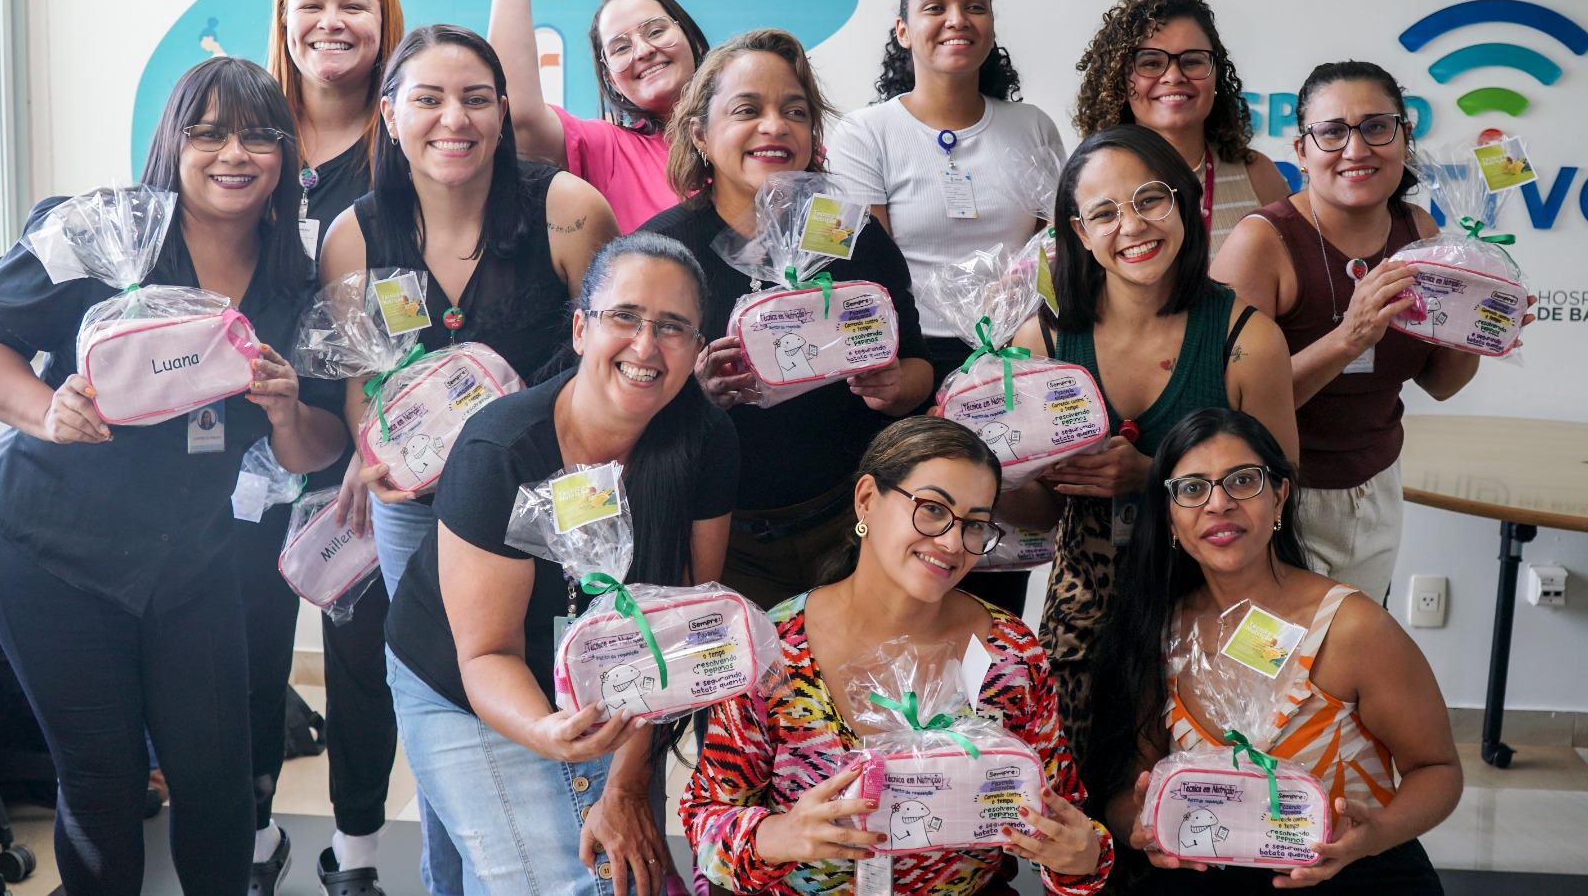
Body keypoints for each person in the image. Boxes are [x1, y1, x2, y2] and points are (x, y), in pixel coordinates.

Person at [0, 56, 347, 896]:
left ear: (285, 156)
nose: (235, 153)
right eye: (209, 132)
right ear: (172, 145)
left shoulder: (296, 276)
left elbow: (317, 449)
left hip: (195, 560)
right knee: (104, 786)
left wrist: (290, 411)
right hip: (52, 553)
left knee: (221, 782)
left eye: (260, 135)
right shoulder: (103, 233)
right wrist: (45, 409)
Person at [319, 22, 617, 891]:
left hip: (555, 505)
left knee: (552, 691)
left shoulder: (567, 210)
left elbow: (613, 363)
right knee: (443, 708)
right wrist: (370, 448)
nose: (455, 118)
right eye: (429, 98)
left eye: (476, 98)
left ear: (502, 113)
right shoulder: (356, 234)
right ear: (390, 113)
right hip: (416, 510)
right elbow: (358, 382)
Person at [384, 232, 738, 896]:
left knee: (624, 881)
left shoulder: (706, 442)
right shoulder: (501, 449)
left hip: (619, 690)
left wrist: (628, 780)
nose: (645, 346)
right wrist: (549, 735)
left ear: (696, 349)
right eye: (624, 318)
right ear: (581, 329)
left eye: (672, 328)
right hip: (467, 688)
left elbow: (677, 628)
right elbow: (485, 652)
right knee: (561, 885)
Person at [681, 415, 1113, 895]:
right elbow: (707, 820)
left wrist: (1082, 857)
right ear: (867, 498)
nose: (952, 543)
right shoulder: (774, 648)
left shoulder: (1010, 653)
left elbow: (1065, 821)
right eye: (932, 509)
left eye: (974, 525)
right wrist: (778, 836)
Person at [999, 124, 1298, 757]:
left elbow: (1279, 495)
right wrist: (996, 468)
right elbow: (1038, 515)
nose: (1132, 225)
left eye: (1150, 199)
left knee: (1209, 814)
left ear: (1184, 202)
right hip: (1084, 623)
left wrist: (1150, 476)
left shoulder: (1247, 340)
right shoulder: (1041, 345)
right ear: (1078, 233)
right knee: (1077, 806)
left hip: (1217, 610)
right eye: (1103, 212)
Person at [1086, 408, 1459, 893]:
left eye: (1243, 481)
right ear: (1170, 519)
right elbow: (1127, 789)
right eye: (1193, 489)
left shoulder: (1352, 628)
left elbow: (1438, 769)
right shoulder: (1158, 629)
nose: (1218, 504)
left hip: (1355, 874)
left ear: (1280, 496)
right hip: (1206, 876)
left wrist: (1375, 835)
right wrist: (1139, 825)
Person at [1209, 61, 1524, 603]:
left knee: (1351, 666)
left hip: (1377, 488)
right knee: (1280, 669)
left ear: (1404, 137)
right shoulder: (1260, 243)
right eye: (1332, 132)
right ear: (1301, 151)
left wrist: (1477, 330)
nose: (1357, 150)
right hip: (1276, 495)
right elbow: (1226, 409)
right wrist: (1347, 339)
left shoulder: (1419, 233)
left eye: (1378, 127)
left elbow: (1442, 384)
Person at [639, 28, 933, 610]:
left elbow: (922, 367)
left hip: (853, 529)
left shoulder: (853, 236)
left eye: (794, 111)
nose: (775, 126)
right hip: (723, 542)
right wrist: (695, 392)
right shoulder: (660, 253)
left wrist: (898, 386)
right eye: (747, 109)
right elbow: (624, 406)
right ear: (699, 132)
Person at [828, 0, 1066, 616]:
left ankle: (989, 708)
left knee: (992, 567)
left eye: (975, 4)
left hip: (1011, 369)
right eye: (935, 6)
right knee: (905, 579)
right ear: (903, 29)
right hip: (903, 374)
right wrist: (915, 381)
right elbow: (864, 274)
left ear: (991, 22)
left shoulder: (1032, 128)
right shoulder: (866, 133)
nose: (956, 19)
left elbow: (1060, 258)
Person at [257, 0, 408, 892]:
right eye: (311, 5)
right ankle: (250, 834)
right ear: (284, 23)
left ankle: (355, 854)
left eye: (354, 5)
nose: (331, 23)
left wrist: (380, 433)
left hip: (366, 446)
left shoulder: (410, 141)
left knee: (360, 658)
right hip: (241, 441)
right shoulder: (243, 131)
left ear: (383, 20)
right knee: (242, 649)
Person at [464, 0, 710, 230]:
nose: (644, 50)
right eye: (621, 48)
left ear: (694, 42)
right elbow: (519, 116)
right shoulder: (609, 151)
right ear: (612, 80)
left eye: (656, 31)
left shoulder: (750, 128)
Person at [1073, 0, 1288, 258]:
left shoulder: (1258, 175)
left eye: (1192, 61)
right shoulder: (1089, 185)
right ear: (1119, 81)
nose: (1173, 76)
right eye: (1151, 62)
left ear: (1216, 76)